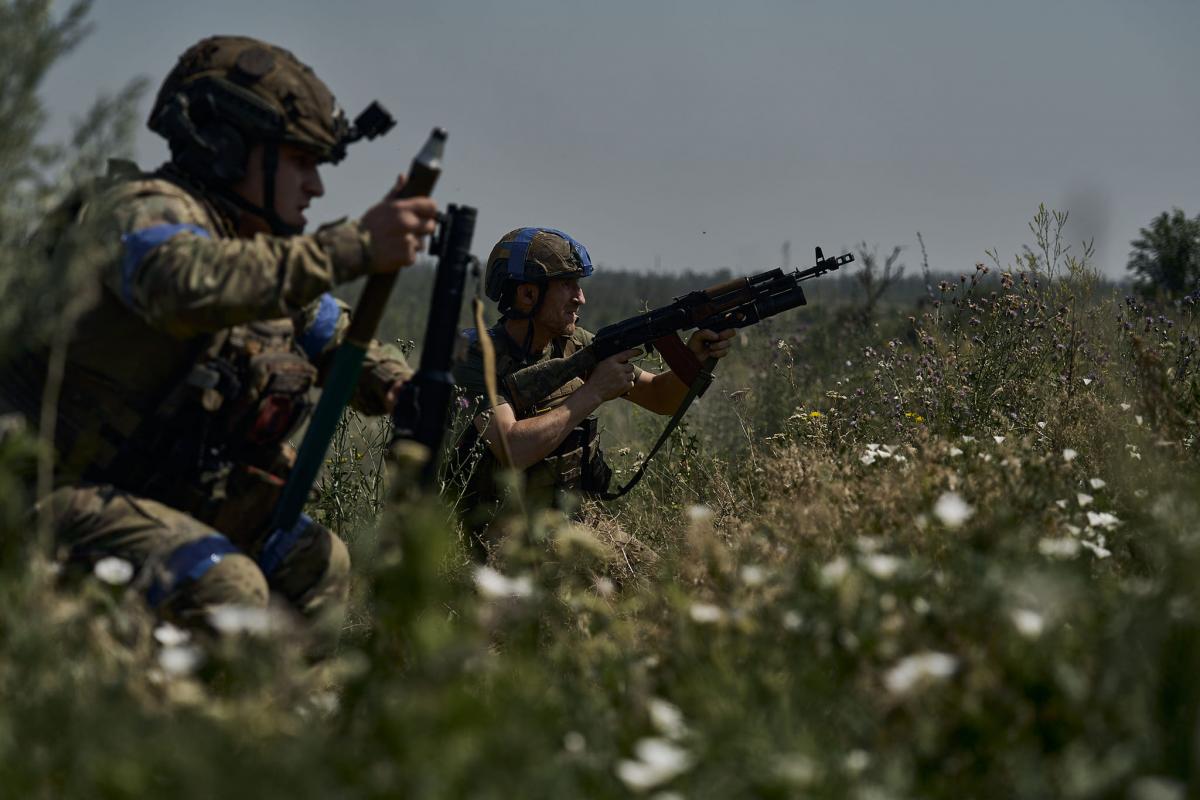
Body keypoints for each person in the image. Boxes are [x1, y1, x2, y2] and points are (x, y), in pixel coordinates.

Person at [0, 36, 437, 629]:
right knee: (225, 585)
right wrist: (352, 246)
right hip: (42, 492)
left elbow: (333, 335)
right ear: (229, 147)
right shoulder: (144, 210)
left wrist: (397, 387)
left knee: (316, 562)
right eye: (301, 162)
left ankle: (255, 716)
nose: (316, 187)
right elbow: (184, 285)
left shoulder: (259, 255)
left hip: (150, 493)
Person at [452, 227, 735, 553]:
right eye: (567, 284)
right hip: (501, 534)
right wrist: (594, 392)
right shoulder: (477, 357)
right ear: (528, 295)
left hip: (572, 522)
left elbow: (660, 396)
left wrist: (694, 357)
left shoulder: (575, 344)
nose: (580, 297)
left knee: (657, 583)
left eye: (579, 284)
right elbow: (513, 449)